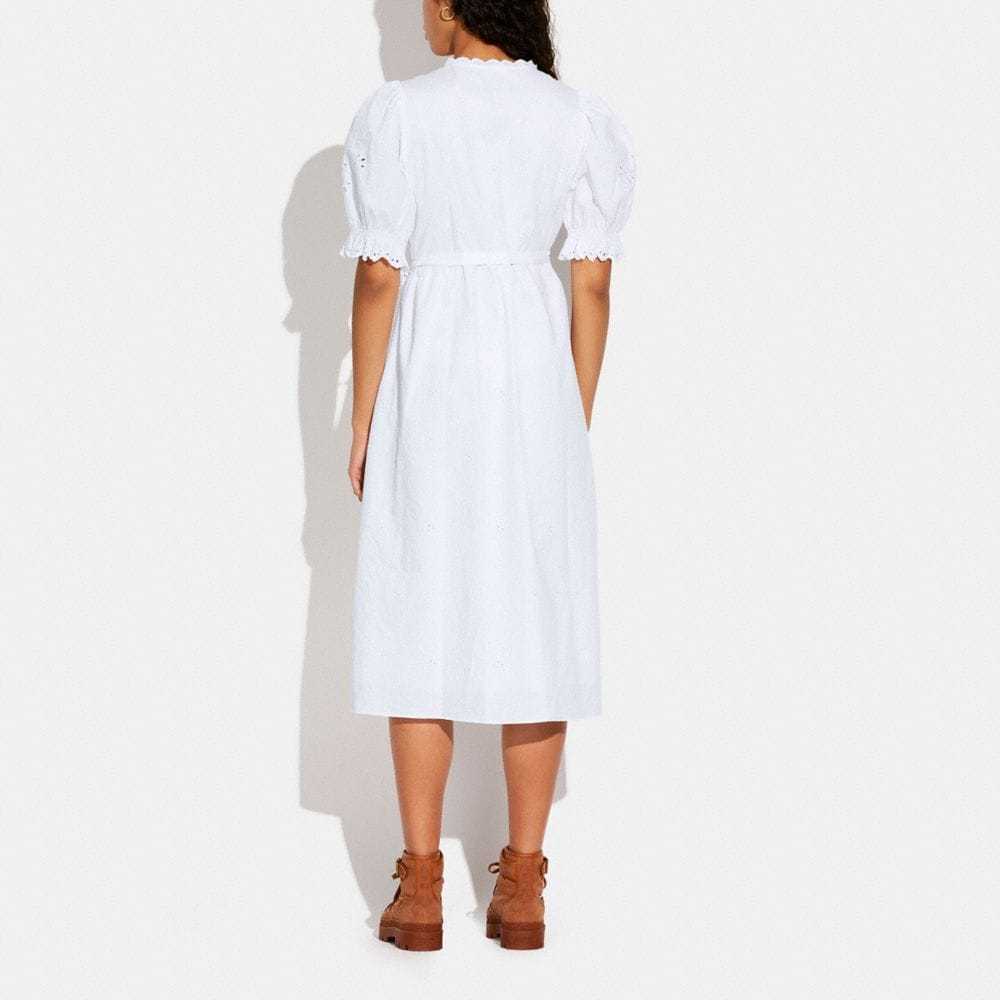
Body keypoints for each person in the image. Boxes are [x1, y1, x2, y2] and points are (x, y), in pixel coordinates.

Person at [340, 0, 635, 951]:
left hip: (430, 378)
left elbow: (379, 275)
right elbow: (592, 282)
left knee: (416, 606)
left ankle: (421, 888)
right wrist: (569, 413)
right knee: (540, 617)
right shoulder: (575, 117)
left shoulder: (401, 114)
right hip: (533, 382)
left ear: (450, 2)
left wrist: (365, 413)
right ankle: (524, 887)